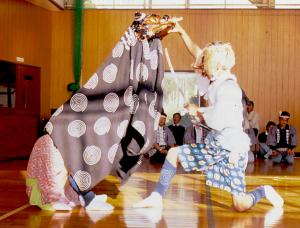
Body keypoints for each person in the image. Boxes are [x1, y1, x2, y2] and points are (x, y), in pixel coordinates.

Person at [26, 12, 178, 211]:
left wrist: (154, 39)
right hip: (50, 164)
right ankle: (78, 197)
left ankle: (84, 197)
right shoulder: (62, 134)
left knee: (82, 155)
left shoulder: (68, 127)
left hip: (58, 148)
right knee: (74, 160)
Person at [133, 22, 283, 211]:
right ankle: (156, 196)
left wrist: (198, 111)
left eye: (206, 62)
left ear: (217, 65)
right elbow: (197, 52)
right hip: (215, 144)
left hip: (231, 150)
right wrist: (181, 32)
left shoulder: (228, 88)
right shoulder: (215, 79)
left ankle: (263, 191)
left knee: (241, 204)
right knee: (173, 154)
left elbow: (220, 118)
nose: (202, 65)